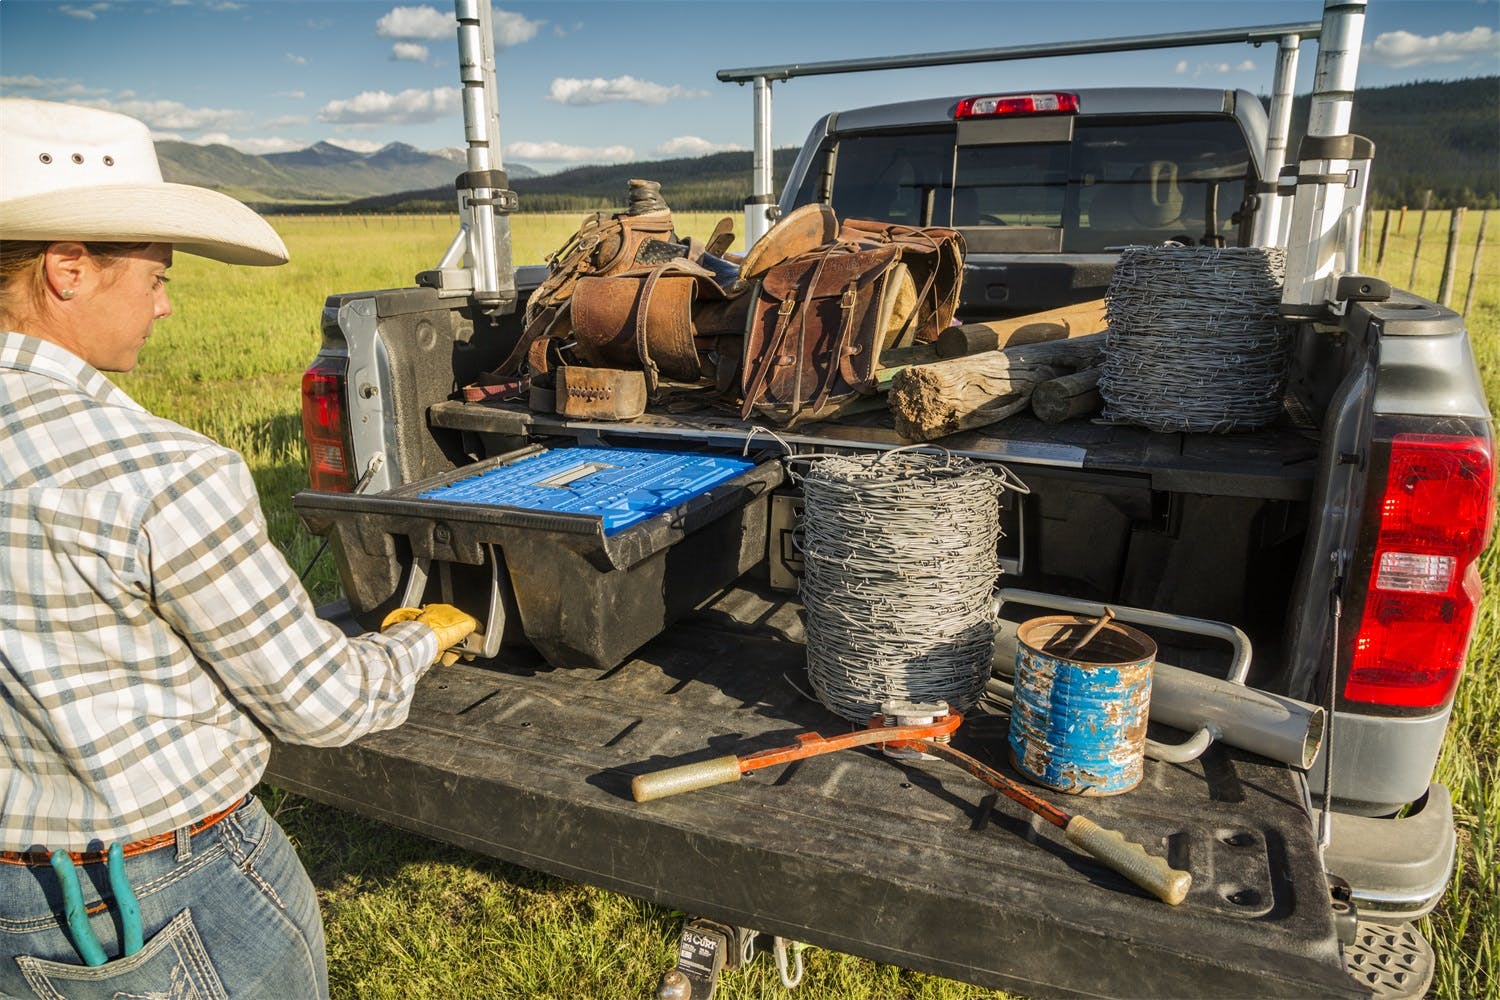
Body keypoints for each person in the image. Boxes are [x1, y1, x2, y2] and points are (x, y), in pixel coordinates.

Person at [0, 98, 477, 999]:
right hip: (154, 891)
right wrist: (421, 636)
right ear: (67, 269)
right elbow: (322, 706)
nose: (166, 305)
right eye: (155, 277)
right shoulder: (160, 472)